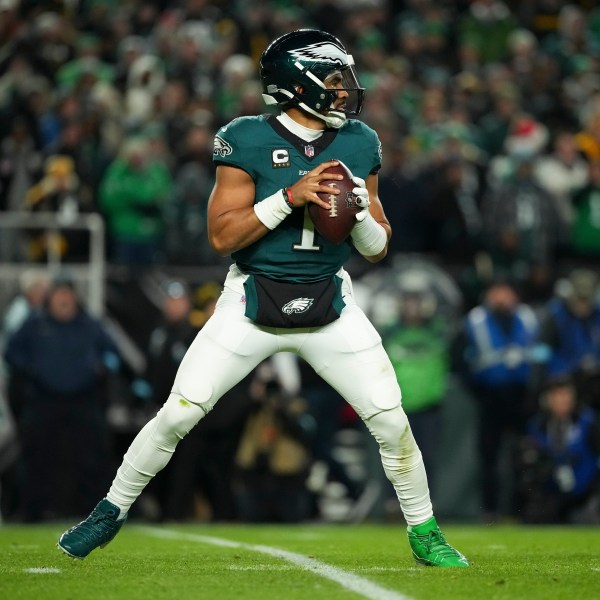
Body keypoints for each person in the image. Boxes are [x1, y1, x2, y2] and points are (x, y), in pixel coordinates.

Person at [57, 29, 468, 567]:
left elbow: (376, 248)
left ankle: (425, 531)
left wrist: (359, 213)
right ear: (298, 84)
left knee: (391, 420)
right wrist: (290, 197)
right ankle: (109, 511)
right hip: (252, 301)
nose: (346, 91)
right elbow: (223, 236)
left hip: (327, 302)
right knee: (180, 413)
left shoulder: (360, 141)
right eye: (334, 80)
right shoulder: (245, 137)